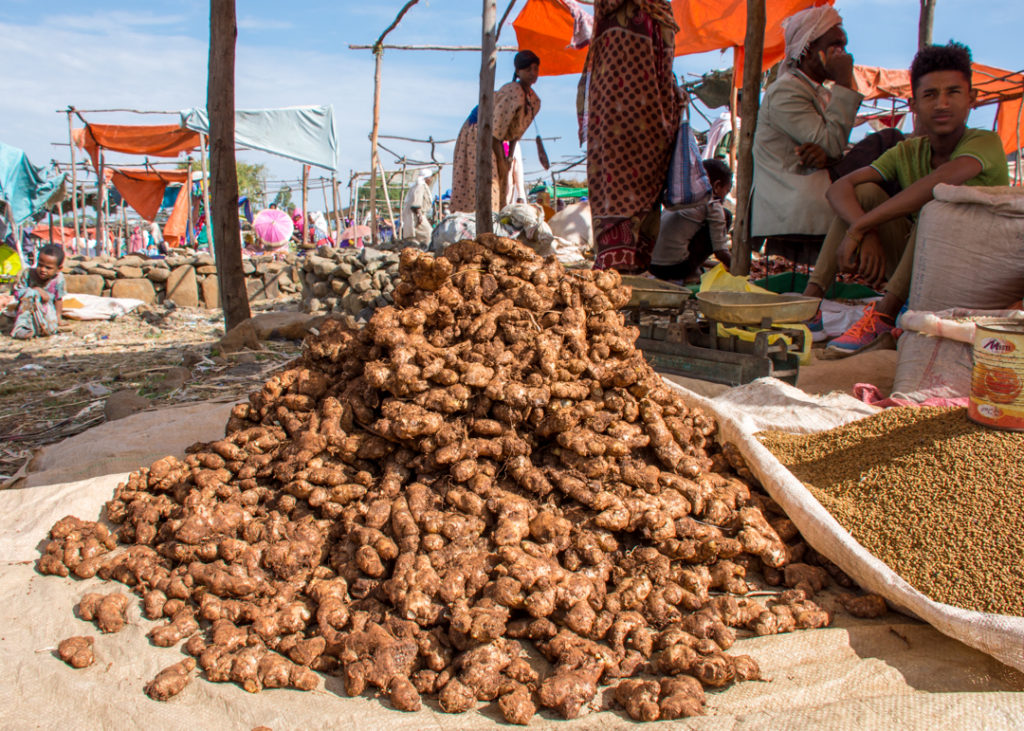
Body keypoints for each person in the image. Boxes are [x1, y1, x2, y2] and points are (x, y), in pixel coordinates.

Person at [806, 41, 1009, 357]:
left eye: (953, 92)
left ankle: (884, 316)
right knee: (865, 193)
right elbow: (839, 188)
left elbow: (936, 184)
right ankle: (808, 307)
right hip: (924, 271)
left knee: (937, 205)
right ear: (914, 105)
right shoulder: (908, 151)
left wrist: (859, 229)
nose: (941, 103)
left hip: (981, 274)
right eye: (930, 95)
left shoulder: (986, 142)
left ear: (972, 98)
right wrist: (866, 229)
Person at [580, 0, 682, 273]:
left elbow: (666, 66)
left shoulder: (657, 10)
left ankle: (630, 270)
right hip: (622, 118)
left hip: (648, 121)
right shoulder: (616, 12)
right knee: (615, 187)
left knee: (641, 191)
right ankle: (618, 270)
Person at [750, 6, 862, 240]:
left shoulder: (817, 91)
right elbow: (832, 144)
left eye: (845, 46)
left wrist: (830, 157)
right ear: (809, 50)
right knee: (885, 142)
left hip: (813, 198)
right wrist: (844, 82)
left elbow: (830, 149)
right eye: (836, 46)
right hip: (794, 204)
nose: (844, 54)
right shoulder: (786, 91)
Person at [450, 50, 541, 214]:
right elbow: (494, 131)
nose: (533, 73)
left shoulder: (533, 100)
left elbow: (515, 133)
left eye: (535, 69)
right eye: (528, 69)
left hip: (495, 137)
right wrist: (501, 159)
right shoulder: (512, 92)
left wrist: (509, 157)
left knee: (502, 182)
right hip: (479, 133)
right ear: (518, 71)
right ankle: (480, 228)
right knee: (487, 184)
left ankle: (495, 224)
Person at [650, 159, 733, 283]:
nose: (725, 197)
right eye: (726, 191)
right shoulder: (712, 203)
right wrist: (738, 268)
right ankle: (690, 274)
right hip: (674, 269)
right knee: (726, 215)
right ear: (716, 186)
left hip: (652, 265)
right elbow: (720, 251)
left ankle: (692, 268)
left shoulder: (682, 195)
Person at [10, 244, 66, 340]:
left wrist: (58, 317)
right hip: (27, 311)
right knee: (31, 293)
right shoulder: (28, 274)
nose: (43, 270)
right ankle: (21, 328)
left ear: (59, 269)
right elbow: (17, 293)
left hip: (46, 311)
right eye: (40, 265)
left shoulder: (58, 279)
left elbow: (58, 299)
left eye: (48, 268)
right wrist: (34, 291)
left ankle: (39, 330)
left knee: (50, 327)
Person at [401, 171, 435, 246]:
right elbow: (416, 202)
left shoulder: (418, 186)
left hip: (416, 214)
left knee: (417, 237)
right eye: (430, 177)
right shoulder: (420, 186)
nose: (431, 179)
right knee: (427, 233)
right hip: (417, 214)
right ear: (427, 178)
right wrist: (419, 215)